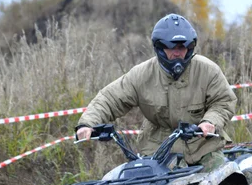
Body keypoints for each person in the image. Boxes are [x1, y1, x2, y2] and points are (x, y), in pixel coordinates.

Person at [75, 13, 237, 172]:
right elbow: (109, 99)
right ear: (159, 47)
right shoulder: (141, 74)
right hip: (158, 150)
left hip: (203, 146)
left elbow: (223, 101)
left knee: (223, 178)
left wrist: (209, 122)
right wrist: (88, 124)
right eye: (171, 46)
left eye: (182, 47)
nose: (177, 52)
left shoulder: (208, 70)